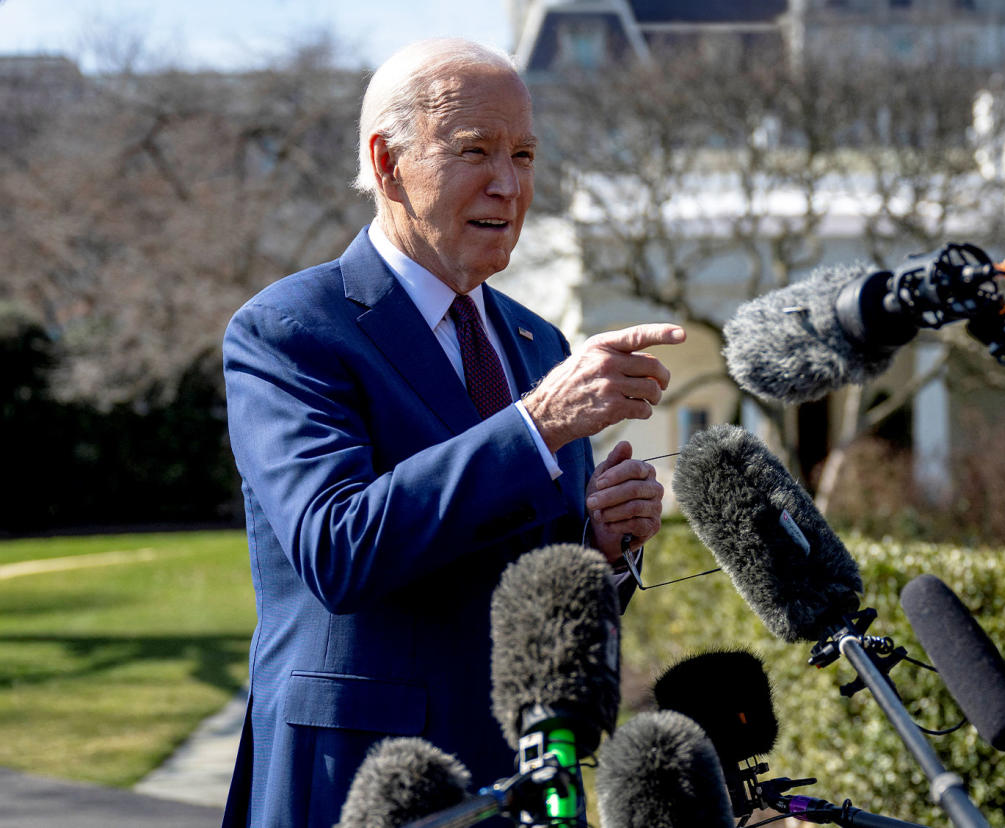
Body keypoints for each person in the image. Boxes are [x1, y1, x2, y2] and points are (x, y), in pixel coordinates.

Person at [220, 38, 685, 827]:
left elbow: (521, 581)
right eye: (475, 151)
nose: (509, 184)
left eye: (525, 154)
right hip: (362, 780)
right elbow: (339, 548)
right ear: (388, 159)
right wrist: (537, 424)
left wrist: (601, 550)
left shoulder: (539, 343)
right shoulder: (290, 329)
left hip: (526, 779)